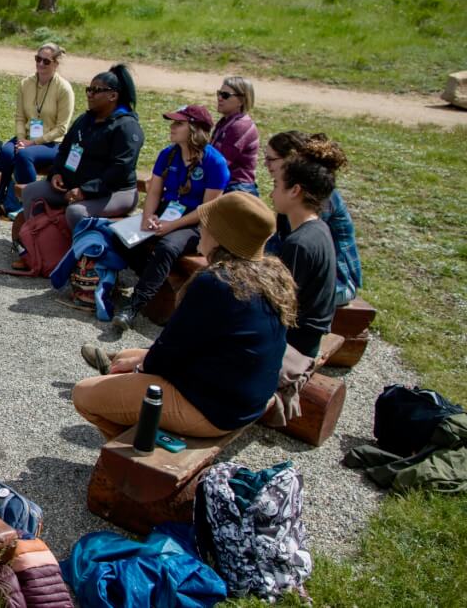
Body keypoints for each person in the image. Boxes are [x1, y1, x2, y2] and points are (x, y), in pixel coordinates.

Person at [72, 192, 296, 440]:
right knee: (125, 357)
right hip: (242, 395)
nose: (200, 226)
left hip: (214, 409)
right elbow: (186, 345)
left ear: (223, 236)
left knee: (84, 393)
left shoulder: (217, 283)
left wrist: (139, 369)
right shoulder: (268, 276)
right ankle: (126, 393)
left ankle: (138, 449)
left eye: (207, 222)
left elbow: (169, 350)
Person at [112, 105, 228, 331]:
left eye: (179, 123)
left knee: (166, 246)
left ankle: (134, 305)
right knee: (118, 235)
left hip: (195, 224)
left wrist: (172, 225)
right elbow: (154, 192)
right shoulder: (168, 154)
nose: (172, 127)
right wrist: (148, 217)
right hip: (165, 215)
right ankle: (157, 281)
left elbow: (207, 210)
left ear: (195, 129)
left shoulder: (215, 163)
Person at [16, 64, 142, 270]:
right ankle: (38, 247)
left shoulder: (126, 127)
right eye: (89, 89)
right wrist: (56, 173)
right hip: (74, 186)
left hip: (115, 192)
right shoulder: (85, 120)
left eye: (96, 90)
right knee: (32, 191)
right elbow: (64, 150)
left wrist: (85, 191)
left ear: (113, 96)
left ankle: (80, 263)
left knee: (76, 213)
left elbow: (120, 169)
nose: (90, 94)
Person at [266, 131, 346, 358]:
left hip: (295, 347)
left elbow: (277, 309)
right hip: (299, 336)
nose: (271, 194)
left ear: (295, 190)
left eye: (276, 185)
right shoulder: (317, 228)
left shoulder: (299, 244)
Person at [264, 133, 362, 306]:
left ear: (290, 159)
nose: (266, 164)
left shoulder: (316, 200)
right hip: (308, 278)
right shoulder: (293, 196)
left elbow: (299, 257)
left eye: (271, 159)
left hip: (338, 283)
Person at [0, 43, 75, 218]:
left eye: (46, 61)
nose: (41, 64)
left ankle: (24, 201)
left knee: (24, 155)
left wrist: (32, 143)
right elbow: (20, 117)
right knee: (5, 152)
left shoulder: (64, 89)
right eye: (38, 59)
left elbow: (62, 128)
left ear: (56, 64)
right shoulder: (25, 83)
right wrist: (21, 140)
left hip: (52, 142)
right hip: (26, 137)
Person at [212, 76, 260, 195]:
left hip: (238, 188)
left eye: (225, 95)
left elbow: (218, 164)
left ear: (242, 100)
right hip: (226, 183)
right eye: (219, 93)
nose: (219, 98)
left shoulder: (240, 126)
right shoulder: (225, 122)